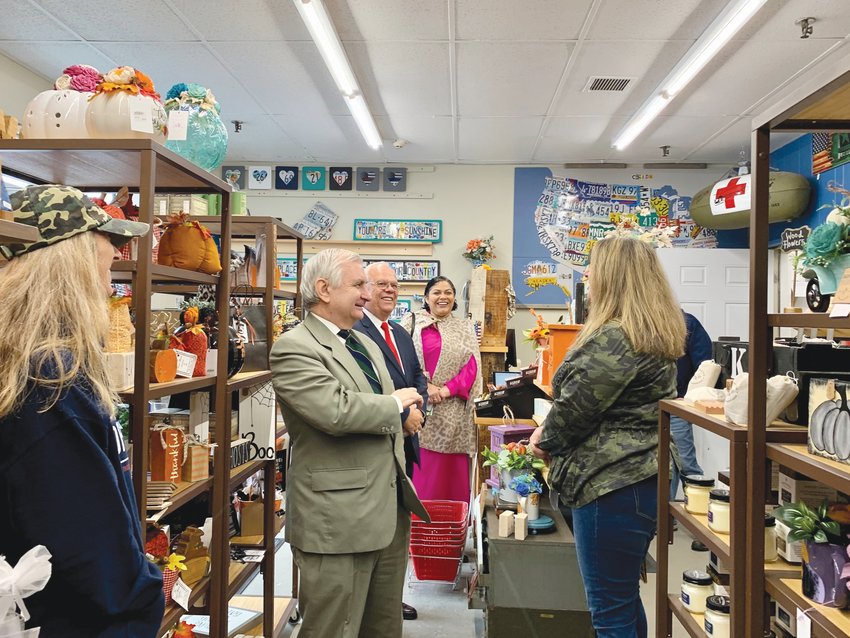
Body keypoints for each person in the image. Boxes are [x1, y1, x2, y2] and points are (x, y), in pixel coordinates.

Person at [0, 185, 163, 636]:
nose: (109, 279)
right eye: (105, 253)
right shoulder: (50, 385)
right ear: (69, 263)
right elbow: (90, 548)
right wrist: (143, 599)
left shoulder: (29, 368)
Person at [530, 236, 686, 638]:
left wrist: (542, 440)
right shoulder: (649, 331)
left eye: (593, 268)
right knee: (622, 599)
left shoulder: (616, 337)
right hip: (640, 479)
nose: (588, 276)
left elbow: (575, 411)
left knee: (608, 611)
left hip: (612, 483)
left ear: (614, 277)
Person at [269, 248, 428, 638]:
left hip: (387, 511)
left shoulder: (364, 344)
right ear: (324, 289)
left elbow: (382, 404)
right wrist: (395, 406)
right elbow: (335, 412)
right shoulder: (294, 347)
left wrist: (399, 412)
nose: (367, 293)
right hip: (337, 521)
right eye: (358, 285)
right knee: (334, 628)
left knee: (383, 626)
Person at [354, 261, 429, 622]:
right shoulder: (354, 332)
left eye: (394, 285)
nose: (389, 290)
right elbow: (364, 391)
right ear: (364, 289)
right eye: (381, 284)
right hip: (379, 445)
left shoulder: (399, 332)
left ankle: (390, 598)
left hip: (406, 446)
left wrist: (419, 413)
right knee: (376, 529)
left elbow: (417, 377)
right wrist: (402, 417)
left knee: (399, 532)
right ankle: (373, 602)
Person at [400, 276, 482, 504]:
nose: (443, 297)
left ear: (454, 298)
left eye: (448, 292)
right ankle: (419, 531)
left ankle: (451, 530)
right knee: (422, 474)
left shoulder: (464, 327)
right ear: (426, 297)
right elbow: (400, 359)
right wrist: (426, 387)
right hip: (417, 408)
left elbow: (472, 366)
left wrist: (444, 391)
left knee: (450, 478)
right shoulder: (411, 322)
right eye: (437, 292)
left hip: (453, 414)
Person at [670, 311, 712, 501]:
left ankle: (703, 513)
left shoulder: (686, 323)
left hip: (677, 405)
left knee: (686, 465)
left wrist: (690, 397)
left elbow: (706, 367)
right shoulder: (634, 321)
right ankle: (661, 520)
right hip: (645, 407)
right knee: (662, 466)